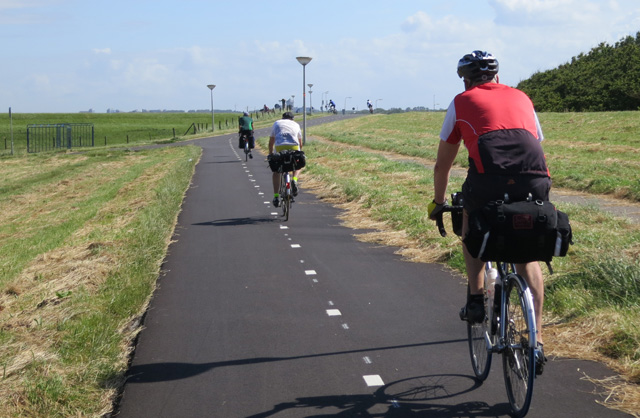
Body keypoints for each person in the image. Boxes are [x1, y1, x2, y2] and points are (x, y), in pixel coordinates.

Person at [427, 50, 551, 374]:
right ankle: (536, 341)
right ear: (497, 77)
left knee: (469, 217)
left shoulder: (461, 101)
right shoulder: (522, 97)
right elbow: (536, 142)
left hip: (488, 185)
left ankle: (475, 298)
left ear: (466, 80)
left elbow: (443, 164)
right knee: (527, 256)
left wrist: (439, 203)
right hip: (536, 182)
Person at [268, 112, 303, 207]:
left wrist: (270, 154)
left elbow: (271, 142)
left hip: (280, 148)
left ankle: (276, 196)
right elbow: (300, 143)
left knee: (276, 171)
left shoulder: (277, 123)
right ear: (292, 119)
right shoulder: (296, 124)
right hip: (294, 148)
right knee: (298, 165)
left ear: (282, 118)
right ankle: (294, 180)